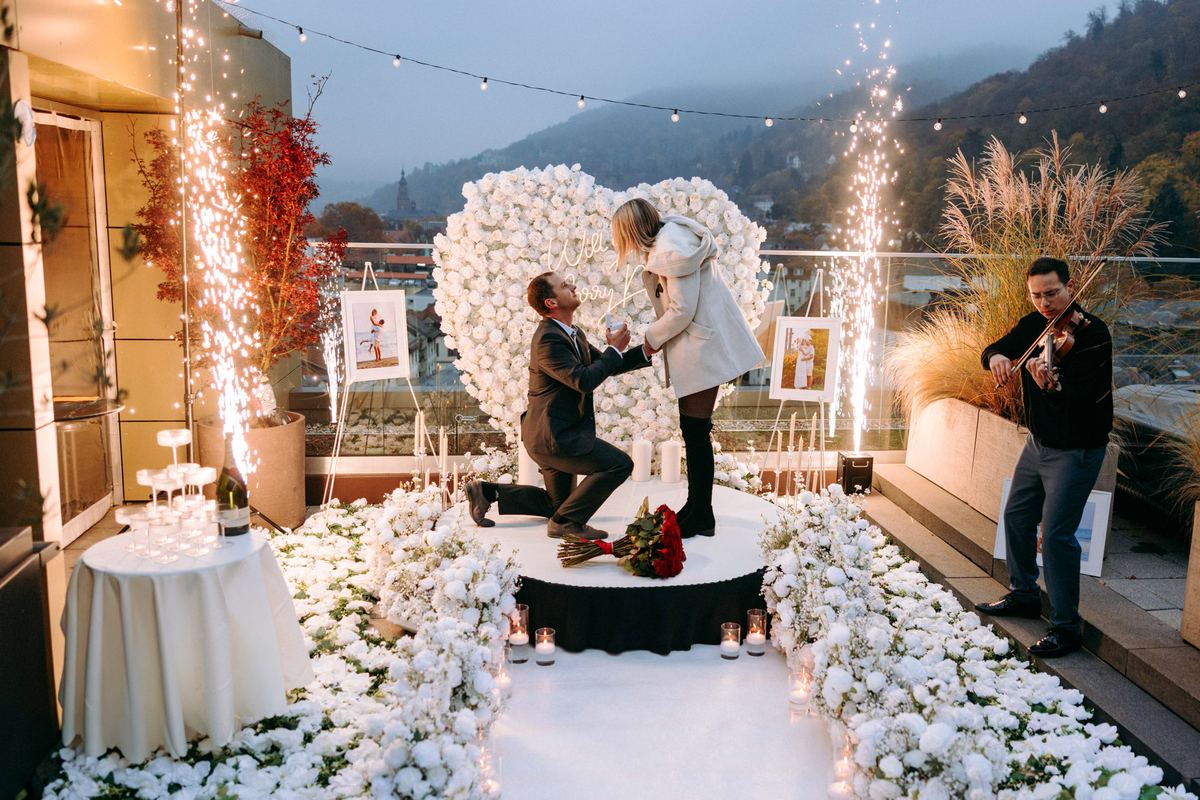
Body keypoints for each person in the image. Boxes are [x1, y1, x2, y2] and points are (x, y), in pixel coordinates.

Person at [974, 256, 1112, 658]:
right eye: (1037, 295)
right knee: (1016, 516)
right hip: (1039, 444)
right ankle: (1024, 594)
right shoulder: (1035, 325)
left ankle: (1067, 628)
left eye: (1052, 293)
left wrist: (1048, 384)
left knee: (1056, 536)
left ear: (1069, 286)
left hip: (1077, 450)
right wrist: (997, 357)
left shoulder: (1093, 334)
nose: (1045, 303)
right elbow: (998, 348)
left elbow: (1083, 397)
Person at [610, 198, 764, 538]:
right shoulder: (674, 240)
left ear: (631, 231)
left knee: (695, 432)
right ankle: (697, 509)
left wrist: (649, 341)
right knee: (695, 431)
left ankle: (701, 515)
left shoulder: (670, 254)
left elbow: (681, 310)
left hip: (701, 348)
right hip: (701, 346)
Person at [464, 272, 653, 539]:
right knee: (619, 465)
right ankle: (565, 524)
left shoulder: (572, 334)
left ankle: (486, 492)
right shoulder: (548, 340)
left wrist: (646, 350)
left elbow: (607, 366)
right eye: (565, 286)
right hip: (555, 438)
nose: (574, 286)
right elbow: (583, 380)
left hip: (549, 433)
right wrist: (613, 350)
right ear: (551, 302)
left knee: (560, 506)